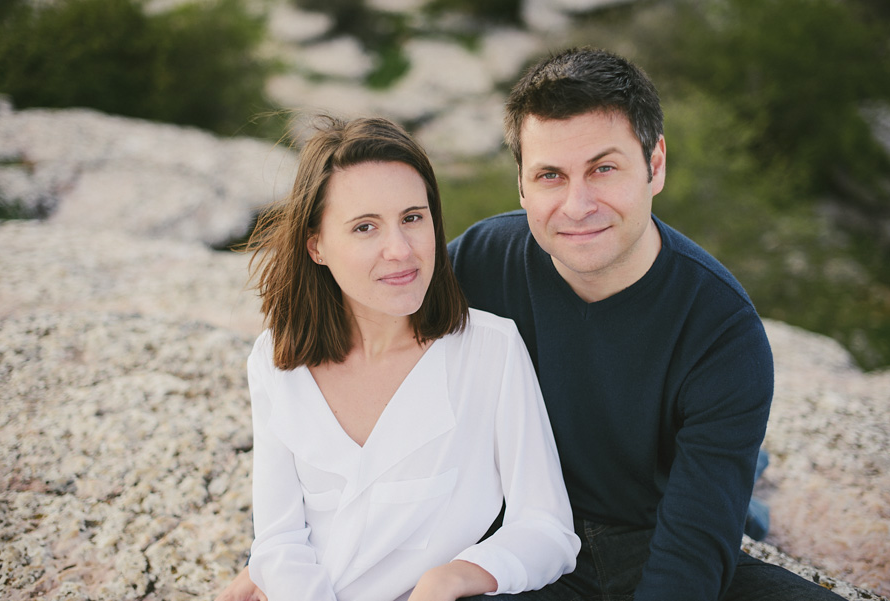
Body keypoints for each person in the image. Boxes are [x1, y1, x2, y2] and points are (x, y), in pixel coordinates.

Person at [218, 48, 845, 601]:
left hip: (654, 537)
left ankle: (752, 486)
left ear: (654, 165)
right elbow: (373, 319)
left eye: (604, 168)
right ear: (520, 184)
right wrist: (280, 559)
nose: (577, 205)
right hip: (521, 554)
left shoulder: (721, 330)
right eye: (550, 175)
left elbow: (694, 550)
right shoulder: (481, 261)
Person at [230, 115, 579, 601]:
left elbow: (547, 529)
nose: (400, 250)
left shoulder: (490, 350)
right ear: (317, 246)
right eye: (365, 227)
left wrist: (455, 576)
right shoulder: (276, 360)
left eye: (413, 218)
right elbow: (279, 538)